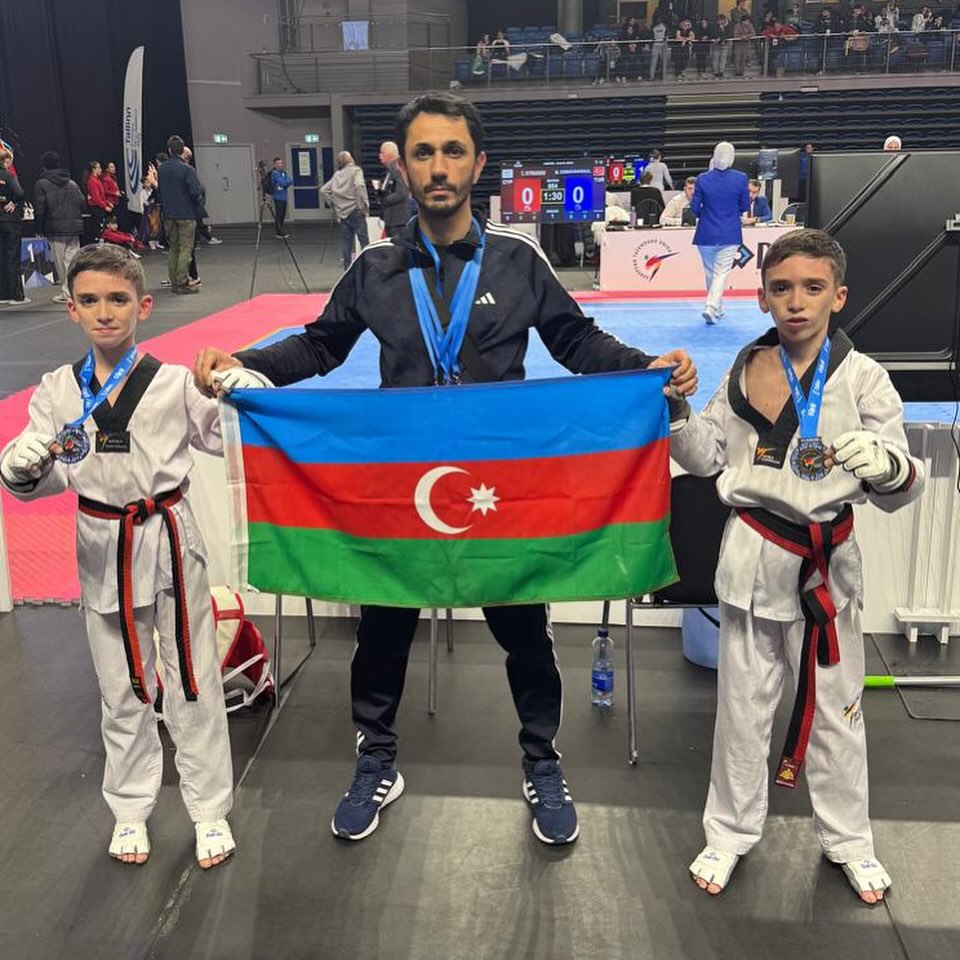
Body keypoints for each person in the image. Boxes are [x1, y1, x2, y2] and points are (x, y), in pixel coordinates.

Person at [193, 92, 697, 847]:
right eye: (423, 152)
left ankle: (542, 759)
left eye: (452, 151)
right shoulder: (376, 266)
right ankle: (376, 759)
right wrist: (244, 363)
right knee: (383, 628)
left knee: (523, 629)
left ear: (478, 163)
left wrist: (645, 366)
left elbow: (576, 340)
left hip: (499, 486)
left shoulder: (518, 260)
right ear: (402, 166)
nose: (438, 167)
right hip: (400, 485)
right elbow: (322, 344)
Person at [668, 229, 924, 903]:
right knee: (741, 712)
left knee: (839, 713)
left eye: (813, 288)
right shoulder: (743, 367)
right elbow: (704, 456)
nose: (796, 302)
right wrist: (676, 411)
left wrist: (888, 466)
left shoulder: (863, 377)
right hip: (751, 560)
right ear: (761, 297)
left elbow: (902, 482)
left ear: (839, 296)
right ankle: (728, 833)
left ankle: (850, 841)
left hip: (824, 571)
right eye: (781, 288)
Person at [0, 243, 236, 869]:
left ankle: (209, 809)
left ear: (143, 306)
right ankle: (130, 808)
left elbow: (227, 439)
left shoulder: (175, 383)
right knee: (119, 685)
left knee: (192, 678)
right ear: (71, 309)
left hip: (169, 537)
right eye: (90, 300)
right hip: (102, 541)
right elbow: (45, 469)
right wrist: (20, 467)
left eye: (118, 299)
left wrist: (237, 392)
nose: (105, 312)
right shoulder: (57, 390)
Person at [691, 141, 750, 325]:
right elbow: (745, 206)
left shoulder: (702, 179)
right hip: (729, 232)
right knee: (721, 273)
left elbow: (694, 208)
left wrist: (706, 214)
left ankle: (718, 307)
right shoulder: (741, 178)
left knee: (711, 273)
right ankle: (711, 306)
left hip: (705, 233)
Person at [34, 151, 86, 304]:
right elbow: (82, 203)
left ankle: (67, 293)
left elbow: (40, 209)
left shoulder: (41, 184)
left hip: (55, 228)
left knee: (61, 262)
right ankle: (74, 290)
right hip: (74, 227)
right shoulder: (72, 183)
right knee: (72, 261)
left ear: (44, 166)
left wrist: (38, 229)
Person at [157, 135, 207, 294]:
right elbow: (195, 192)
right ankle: (182, 282)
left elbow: (161, 191)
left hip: (169, 214)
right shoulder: (187, 169)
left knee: (174, 248)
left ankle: (173, 281)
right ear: (181, 150)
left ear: (169, 150)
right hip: (186, 214)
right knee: (186, 248)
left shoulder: (162, 169)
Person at [320, 150, 370, 271]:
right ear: (350, 159)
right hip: (356, 212)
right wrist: (362, 205)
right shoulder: (356, 171)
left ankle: (347, 269)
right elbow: (359, 186)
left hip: (343, 214)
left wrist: (333, 203)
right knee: (364, 241)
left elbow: (323, 190)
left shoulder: (337, 175)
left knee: (346, 243)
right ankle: (367, 268)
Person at [0, 150, 27, 306]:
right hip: (9, 221)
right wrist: (14, 202)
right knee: (12, 257)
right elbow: (20, 192)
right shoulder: (8, 176)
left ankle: (3, 294)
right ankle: (16, 295)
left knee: (1, 257)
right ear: (6, 161)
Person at [372, 140, 411, 239]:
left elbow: (402, 193)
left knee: (397, 247)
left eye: (382, 152)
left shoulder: (397, 169)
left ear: (389, 153)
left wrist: (385, 200)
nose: (379, 156)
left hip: (398, 221)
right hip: (392, 219)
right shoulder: (391, 169)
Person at [83, 161, 113, 246]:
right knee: (98, 229)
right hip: (96, 208)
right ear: (94, 170)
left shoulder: (97, 180)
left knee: (102, 228)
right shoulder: (92, 181)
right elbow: (96, 198)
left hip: (99, 207)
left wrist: (107, 203)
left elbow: (101, 196)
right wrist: (105, 206)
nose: (100, 169)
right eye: (98, 168)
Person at [268, 157, 292, 238]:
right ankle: (278, 231)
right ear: (275, 164)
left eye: (281, 163)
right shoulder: (275, 173)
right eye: (278, 163)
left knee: (283, 214)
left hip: (284, 196)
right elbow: (284, 183)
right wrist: (286, 182)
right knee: (279, 214)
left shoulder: (283, 173)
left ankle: (280, 229)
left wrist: (286, 182)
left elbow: (290, 181)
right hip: (278, 197)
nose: (280, 165)